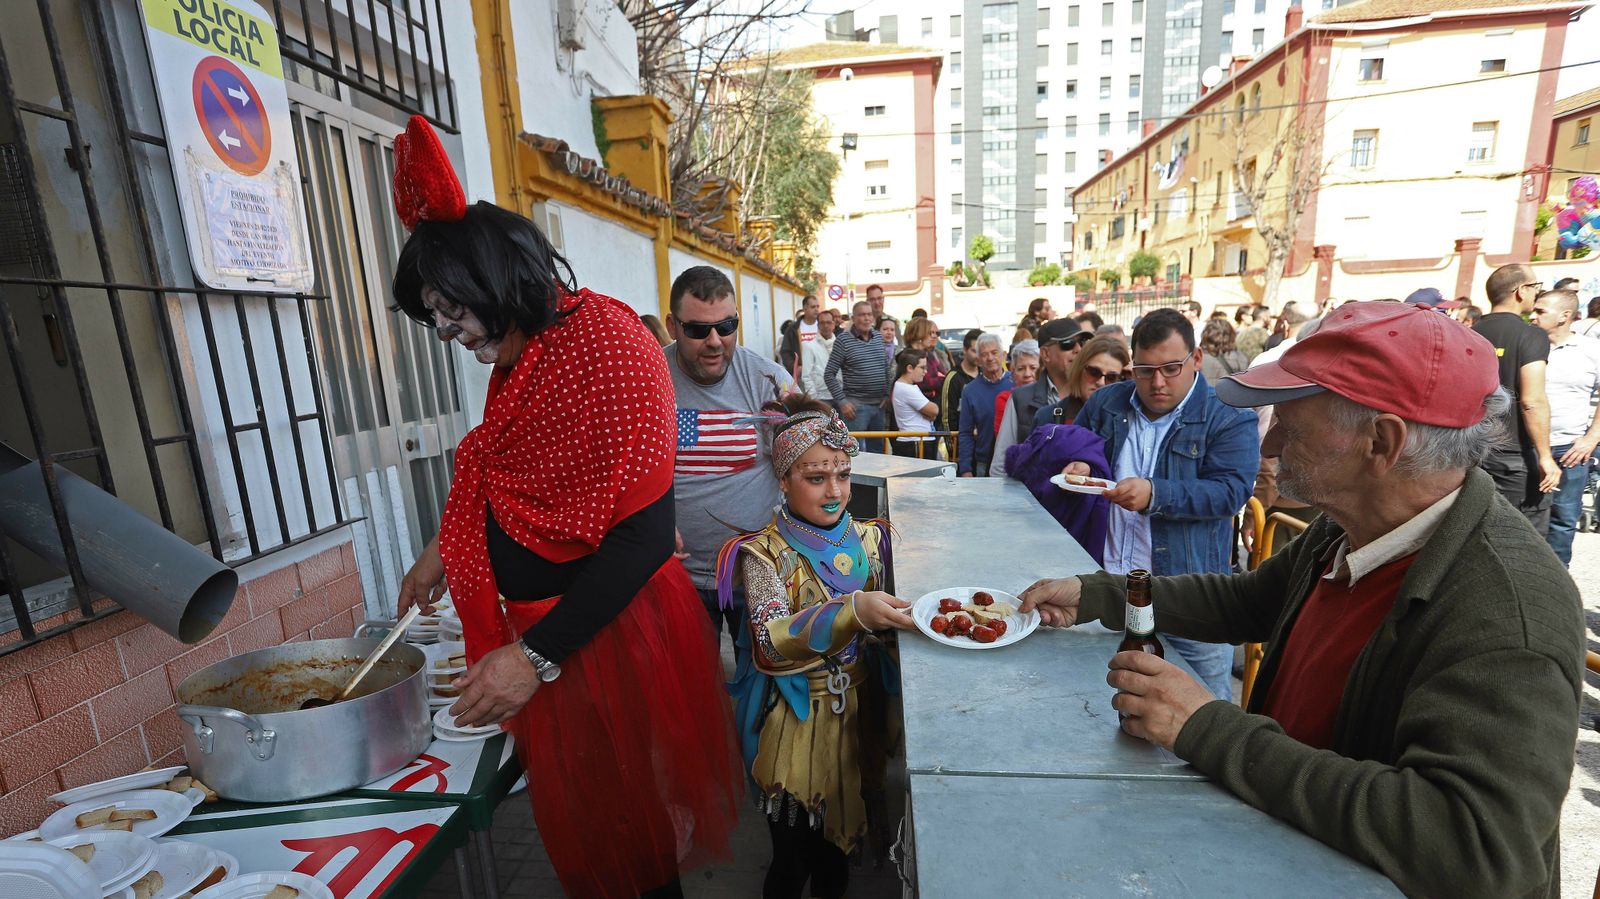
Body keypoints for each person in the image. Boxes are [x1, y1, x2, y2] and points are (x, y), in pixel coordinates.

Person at [1019, 300, 1583, 899]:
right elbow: (1248, 599)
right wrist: (1099, 593)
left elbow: (1479, 848)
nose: (1274, 441)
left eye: (1294, 420)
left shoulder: (1507, 606)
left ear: (1382, 442)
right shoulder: (1350, 524)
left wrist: (1208, 728)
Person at [387, 117, 738, 898]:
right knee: (598, 846)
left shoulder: (611, 344)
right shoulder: (525, 353)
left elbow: (645, 535)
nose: (448, 332)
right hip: (553, 639)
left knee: (634, 854)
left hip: (598, 637)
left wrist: (533, 655)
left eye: (451, 311)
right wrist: (446, 549)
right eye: (436, 316)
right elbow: (518, 475)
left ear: (495, 281)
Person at [716, 397, 912, 899]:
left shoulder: (872, 539)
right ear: (782, 479)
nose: (835, 490)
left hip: (858, 719)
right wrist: (852, 613)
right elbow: (768, 645)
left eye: (843, 475)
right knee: (792, 858)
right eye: (815, 477)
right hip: (797, 725)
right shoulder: (762, 554)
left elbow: (890, 624)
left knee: (836, 856)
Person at [1050, 309, 1259, 699]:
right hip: (1109, 586)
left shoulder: (1226, 415)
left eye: (1170, 368)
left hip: (1188, 593)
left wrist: (1156, 494)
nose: (1157, 382)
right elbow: (1080, 447)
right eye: (1145, 370)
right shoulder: (1109, 402)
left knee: (1205, 704)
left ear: (1196, 360)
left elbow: (1232, 490)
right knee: (1100, 701)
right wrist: (1080, 463)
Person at [665, 266, 798, 641]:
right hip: (678, 577)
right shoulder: (649, 377)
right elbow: (625, 468)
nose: (714, 341)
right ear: (672, 325)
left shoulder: (769, 381)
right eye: (696, 330)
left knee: (762, 688)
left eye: (727, 327)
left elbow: (802, 467)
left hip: (756, 571)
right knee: (693, 689)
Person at [1474, 263, 1560, 534]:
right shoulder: (1530, 335)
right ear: (1521, 291)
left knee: (1477, 529)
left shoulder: (1468, 333)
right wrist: (1545, 456)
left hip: (1471, 449)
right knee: (1521, 535)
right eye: (1536, 287)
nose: (1537, 293)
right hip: (1514, 455)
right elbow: (1532, 400)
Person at [1529, 288, 1600, 565]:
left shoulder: (1591, 350)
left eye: (1540, 311)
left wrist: (1591, 438)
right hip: (1527, 447)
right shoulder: (1527, 343)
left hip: (1570, 450)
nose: (1532, 316)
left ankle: (1555, 587)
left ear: (1565, 316)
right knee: (1522, 516)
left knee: (1562, 520)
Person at [992, 319, 1093, 477]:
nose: (1078, 349)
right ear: (1046, 354)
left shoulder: (1094, 396)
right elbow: (1001, 466)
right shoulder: (1020, 399)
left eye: (1082, 342)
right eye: (1067, 343)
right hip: (1031, 499)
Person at [825, 301, 894, 453]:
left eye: (869, 314)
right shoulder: (843, 341)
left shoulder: (877, 337)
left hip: (879, 406)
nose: (866, 318)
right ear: (853, 318)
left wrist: (887, 394)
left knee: (878, 454)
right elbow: (829, 374)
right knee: (854, 453)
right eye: (862, 315)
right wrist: (842, 402)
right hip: (856, 407)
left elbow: (885, 368)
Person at [1032, 335, 1132, 428]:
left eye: (1111, 377)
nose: (1101, 382)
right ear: (1079, 370)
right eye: (1094, 372)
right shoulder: (1047, 417)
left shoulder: (1132, 420)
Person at [956, 333, 1013, 477]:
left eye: (994, 352)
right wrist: (965, 469)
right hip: (983, 462)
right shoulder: (970, 391)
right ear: (979, 360)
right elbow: (965, 433)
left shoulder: (1016, 383)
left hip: (1014, 459)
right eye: (984, 354)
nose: (990, 358)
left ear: (1003, 355)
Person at [938, 329, 982, 459]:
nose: (978, 355)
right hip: (962, 448)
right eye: (974, 351)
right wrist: (954, 451)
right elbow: (946, 418)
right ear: (965, 350)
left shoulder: (986, 376)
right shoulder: (953, 377)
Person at [891, 349, 940, 457]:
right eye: (922, 367)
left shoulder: (906, 386)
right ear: (909, 368)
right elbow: (934, 410)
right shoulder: (906, 389)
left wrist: (930, 413)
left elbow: (932, 413)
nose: (926, 371)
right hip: (915, 442)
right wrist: (931, 413)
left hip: (917, 440)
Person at [902, 317, 947, 403]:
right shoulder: (907, 357)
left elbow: (944, 375)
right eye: (930, 333)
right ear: (919, 334)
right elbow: (923, 383)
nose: (934, 336)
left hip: (935, 402)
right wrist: (940, 380)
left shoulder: (929, 354)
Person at [779, 294, 821, 379]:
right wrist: (794, 368)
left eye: (817, 306)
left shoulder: (822, 325)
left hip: (821, 373)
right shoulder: (793, 328)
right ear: (805, 308)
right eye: (813, 307)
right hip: (802, 375)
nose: (816, 310)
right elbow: (785, 351)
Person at [801, 309, 838, 403]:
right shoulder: (809, 346)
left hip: (840, 397)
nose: (825, 326)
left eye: (828, 322)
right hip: (821, 398)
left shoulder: (841, 344)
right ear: (818, 325)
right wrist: (814, 399)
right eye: (822, 323)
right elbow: (806, 376)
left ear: (833, 325)